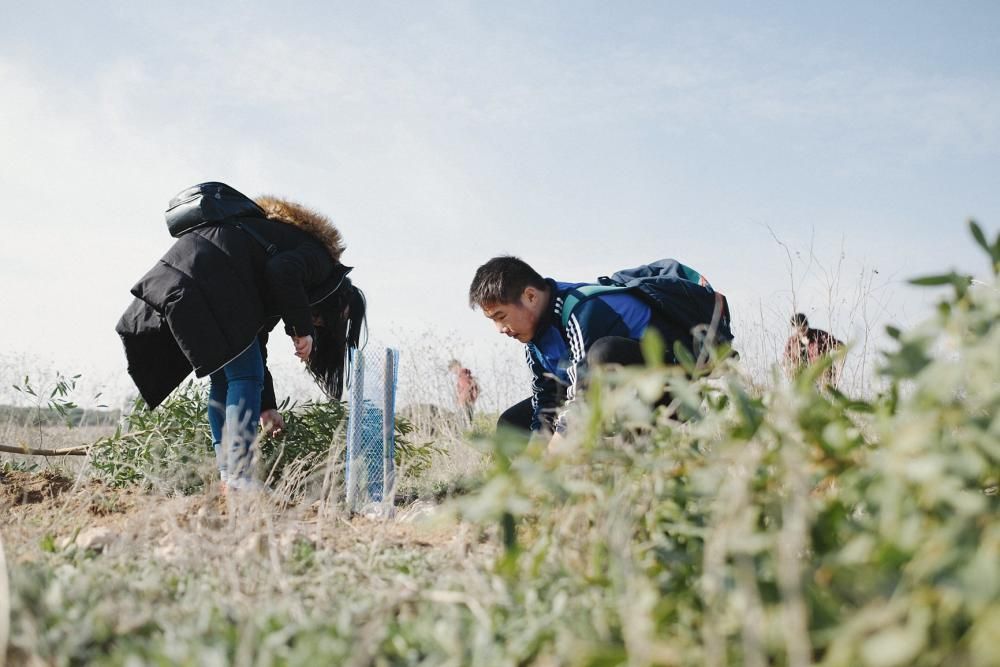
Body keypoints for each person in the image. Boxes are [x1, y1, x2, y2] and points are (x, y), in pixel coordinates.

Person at [116, 182, 366, 491]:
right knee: (245, 375)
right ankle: (239, 474)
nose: (320, 324)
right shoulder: (320, 259)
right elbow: (283, 270)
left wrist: (267, 406)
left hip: (187, 282)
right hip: (210, 282)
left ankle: (229, 475)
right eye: (326, 322)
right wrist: (301, 329)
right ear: (339, 306)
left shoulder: (269, 253)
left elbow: (253, 339)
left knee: (227, 376)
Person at [468, 255, 731, 445]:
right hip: (616, 401)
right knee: (511, 424)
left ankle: (637, 466)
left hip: (674, 393)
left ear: (531, 297)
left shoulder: (583, 309)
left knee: (603, 355)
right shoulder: (534, 340)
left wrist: (554, 455)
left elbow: (583, 397)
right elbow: (545, 403)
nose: (500, 329)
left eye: (501, 317)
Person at [783, 313, 844, 386]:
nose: (802, 332)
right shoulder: (792, 342)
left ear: (807, 326)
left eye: (803, 329)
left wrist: (839, 366)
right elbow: (785, 360)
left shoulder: (820, 335)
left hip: (823, 377)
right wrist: (789, 373)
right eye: (799, 330)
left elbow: (841, 347)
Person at [448, 359, 480, 424]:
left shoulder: (462, 375)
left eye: (452, 369)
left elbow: (466, 389)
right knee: (469, 423)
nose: (453, 372)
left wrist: (461, 402)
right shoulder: (467, 375)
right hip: (469, 404)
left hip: (465, 404)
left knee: (464, 425)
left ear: (456, 366)